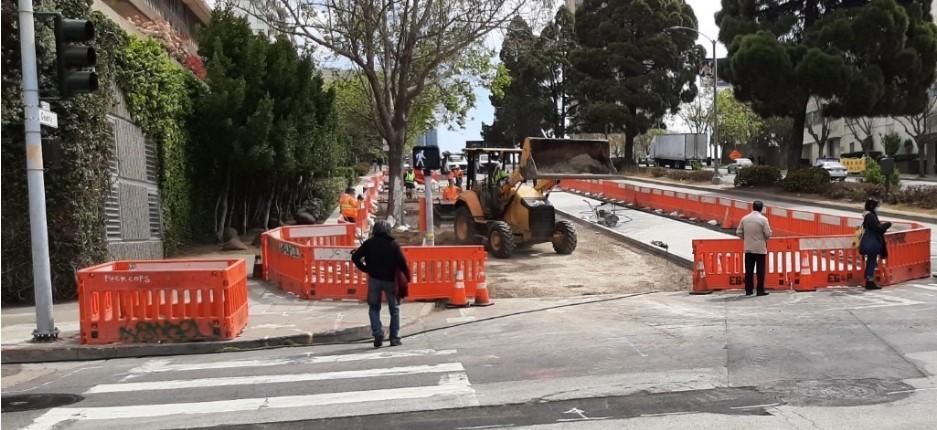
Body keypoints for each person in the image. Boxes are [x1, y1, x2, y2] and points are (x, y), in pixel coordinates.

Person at [351, 220, 411, 348]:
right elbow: (403, 263)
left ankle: (378, 333)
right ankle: (394, 338)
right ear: (388, 230)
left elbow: (355, 258)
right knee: (394, 309)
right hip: (390, 281)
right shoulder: (393, 245)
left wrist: (366, 268)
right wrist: (408, 278)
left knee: (373, 308)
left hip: (374, 280)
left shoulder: (368, 244)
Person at [736, 200, 773, 296]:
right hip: (760, 248)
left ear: (753, 207)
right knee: (760, 271)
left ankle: (748, 290)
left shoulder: (744, 218)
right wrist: (764, 238)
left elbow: (738, 232)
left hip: (748, 247)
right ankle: (760, 290)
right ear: (761, 208)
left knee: (749, 270)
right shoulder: (763, 219)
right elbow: (768, 233)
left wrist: (746, 238)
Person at [859, 198, 891, 290]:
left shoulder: (869, 215)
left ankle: (870, 280)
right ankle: (869, 281)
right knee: (871, 261)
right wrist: (887, 225)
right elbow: (878, 228)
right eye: (877, 206)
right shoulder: (870, 216)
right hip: (872, 242)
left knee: (872, 261)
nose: (878, 208)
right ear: (872, 206)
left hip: (871, 241)